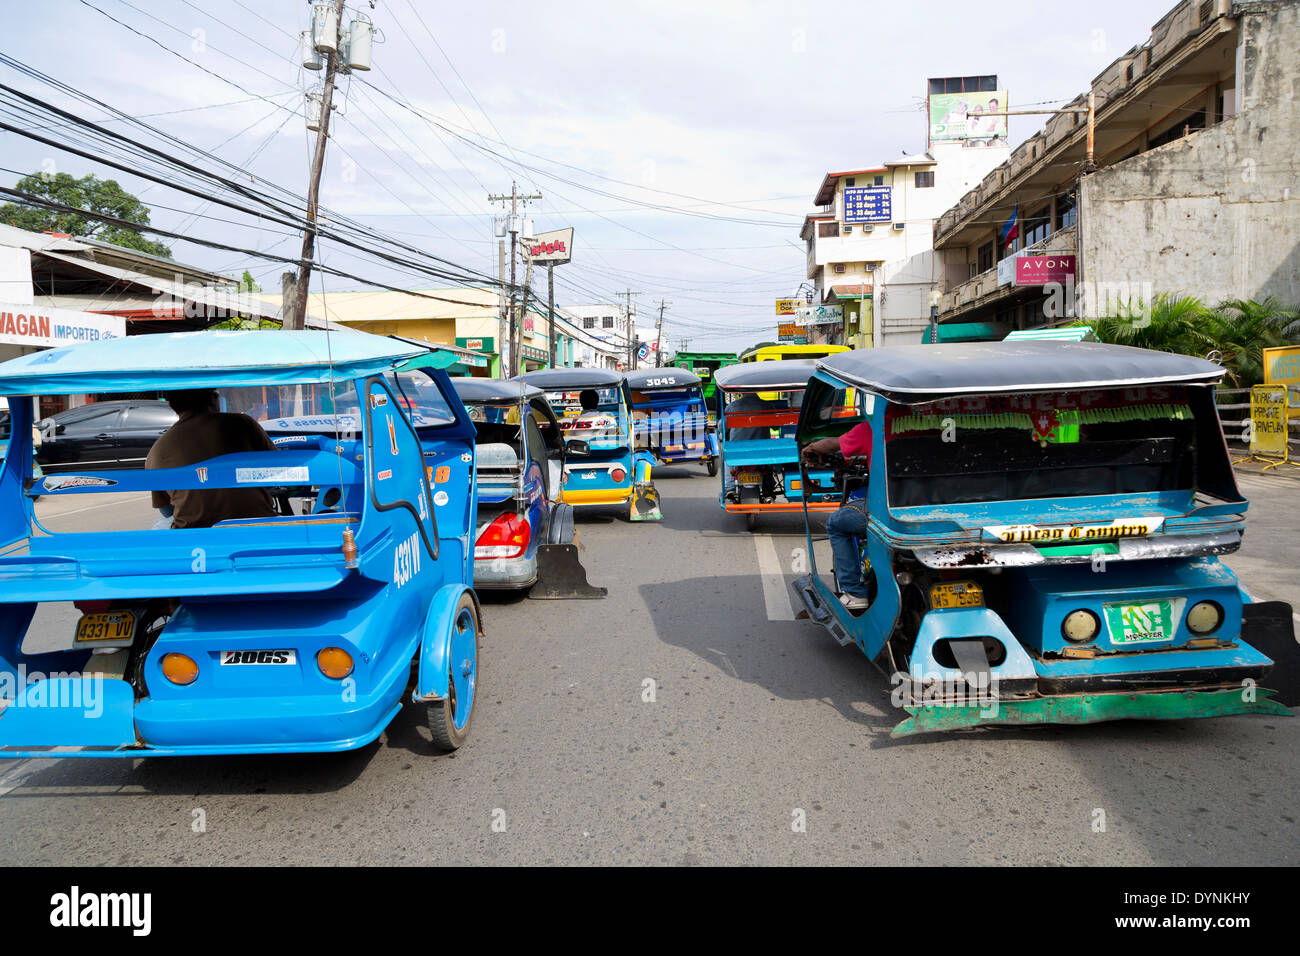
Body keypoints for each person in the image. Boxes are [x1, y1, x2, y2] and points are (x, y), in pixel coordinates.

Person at [146, 388, 277, 529]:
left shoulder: (157, 449)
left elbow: (166, 508)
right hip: (258, 520)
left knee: (160, 524)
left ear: (172, 405)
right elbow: (276, 469)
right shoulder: (242, 423)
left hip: (194, 529)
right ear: (213, 399)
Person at [801, 419, 873, 611]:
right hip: (946, 512)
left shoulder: (876, 426)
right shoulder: (950, 420)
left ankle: (855, 593)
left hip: (888, 513)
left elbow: (835, 444)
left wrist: (813, 447)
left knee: (836, 524)